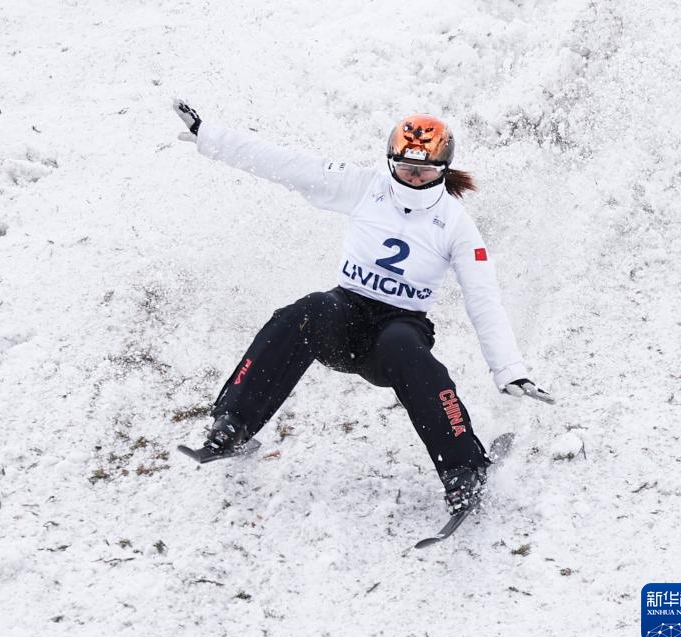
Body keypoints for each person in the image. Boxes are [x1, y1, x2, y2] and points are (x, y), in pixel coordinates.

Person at [171, 99, 554, 514]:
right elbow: (286, 164)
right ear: (391, 161)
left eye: (424, 171)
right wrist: (209, 137)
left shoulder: (457, 224)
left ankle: (464, 469)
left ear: (443, 170)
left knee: (403, 346)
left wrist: (509, 369)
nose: (412, 178)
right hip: (344, 317)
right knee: (305, 311)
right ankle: (233, 425)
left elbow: (483, 298)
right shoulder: (364, 186)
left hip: (399, 330)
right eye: (405, 168)